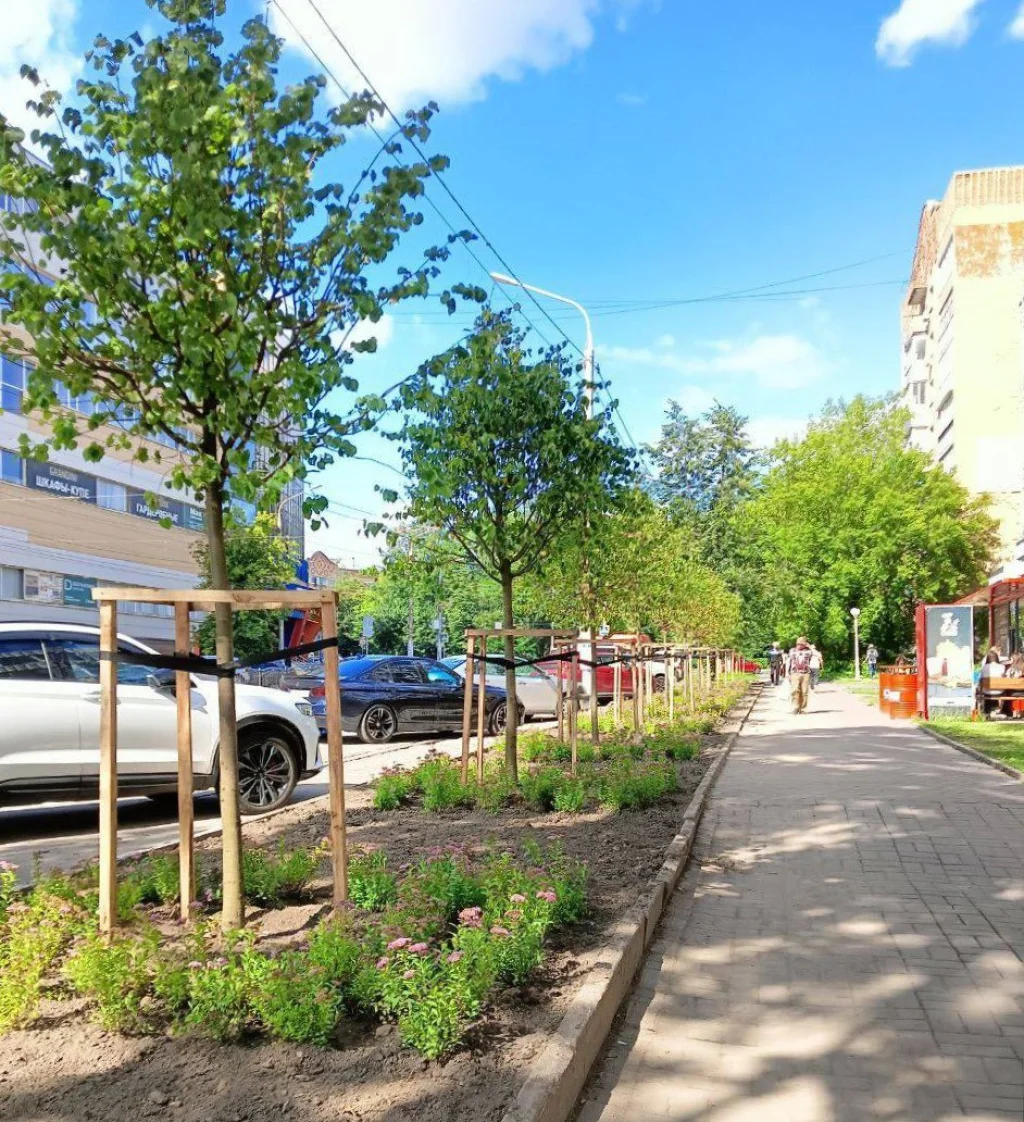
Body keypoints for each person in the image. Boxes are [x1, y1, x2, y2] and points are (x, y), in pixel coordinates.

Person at [787, 636, 814, 714]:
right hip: (794, 672)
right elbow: (788, 661)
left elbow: (818, 655)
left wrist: (810, 647)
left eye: (801, 644)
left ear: (805, 644)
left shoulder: (808, 651)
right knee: (794, 690)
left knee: (804, 691)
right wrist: (786, 673)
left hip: (806, 673)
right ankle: (795, 707)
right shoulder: (792, 650)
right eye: (798, 644)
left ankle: (802, 709)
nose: (799, 645)